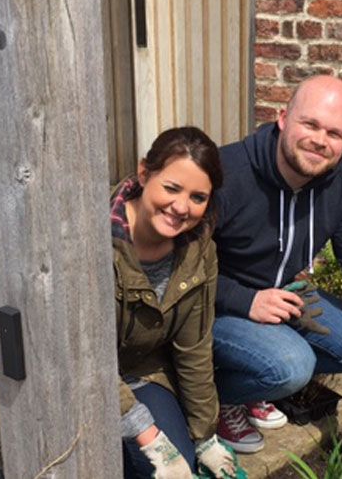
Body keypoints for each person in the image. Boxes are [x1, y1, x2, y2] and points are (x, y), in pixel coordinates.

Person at [211, 75, 342, 453]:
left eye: (334, 133)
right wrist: (243, 300)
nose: (320, 140)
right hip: (215, 304)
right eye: (311, 124)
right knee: (291, 365)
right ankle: (220, 398)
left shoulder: (340, 187)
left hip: (280, 295)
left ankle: (255, 381)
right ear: (283, 118)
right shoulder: (227, 173)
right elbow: (175, 269)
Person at [113, 127, 235, 478]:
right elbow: (84, 359)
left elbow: (194, 348)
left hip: (143, 369)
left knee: (179, 465)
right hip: (81, 377)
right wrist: (148, 438)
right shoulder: (97, 239)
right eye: (171, 188)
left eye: (198, 197)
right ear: (143, 173)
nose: (181, 207)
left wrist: (205, 437)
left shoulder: (199, 251)